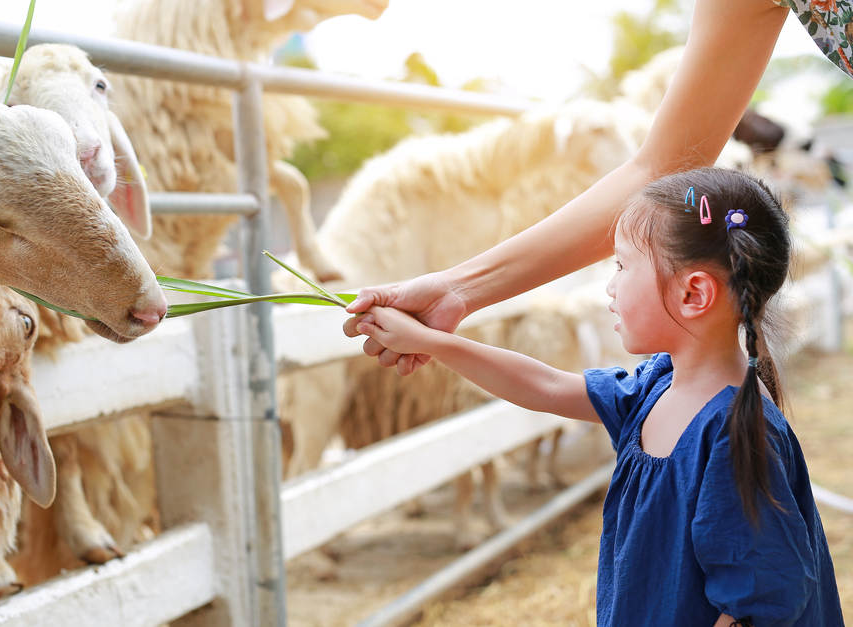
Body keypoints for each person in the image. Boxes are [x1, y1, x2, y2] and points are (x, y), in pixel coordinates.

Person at [354, 167, 843, 626]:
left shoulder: (734, 436)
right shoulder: (659, 385)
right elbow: (546, 386)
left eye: (622, 266)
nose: (609, 288)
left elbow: (758, 608)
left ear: (694, 294)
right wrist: (431, 342)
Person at [342, 0, 848, 376]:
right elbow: (658, 171)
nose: (609, 286)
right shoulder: (656, 396)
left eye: (623, 268)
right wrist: (457, 290)